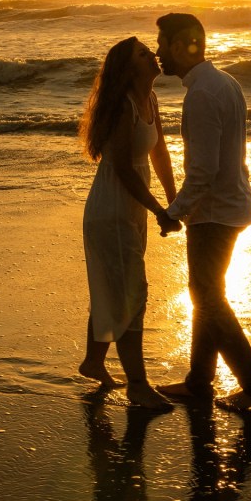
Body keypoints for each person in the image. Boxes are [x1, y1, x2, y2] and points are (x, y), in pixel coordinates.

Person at [155, 13, 251, 409]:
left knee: (208, 298)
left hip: (214, 213)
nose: (157, 53)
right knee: (205, 294)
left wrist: (175, 211)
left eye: (161, 43)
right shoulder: (225, 83)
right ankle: (199, 382)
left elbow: (202, 171)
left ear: (179, 45)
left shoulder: (203, 94)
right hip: (232, 204)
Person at [78, 36, 180, 409]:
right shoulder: (123, 105)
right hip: (112, 208)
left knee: (115, 286)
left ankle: (93, 361)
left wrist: (174, 201)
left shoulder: (149, 99)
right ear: (128, 67)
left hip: (131, 207)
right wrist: (159, 211)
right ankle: (138, 385)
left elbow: (160, 151)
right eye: (142, 53)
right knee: (132, 292)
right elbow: (122, 168)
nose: (152, 54)